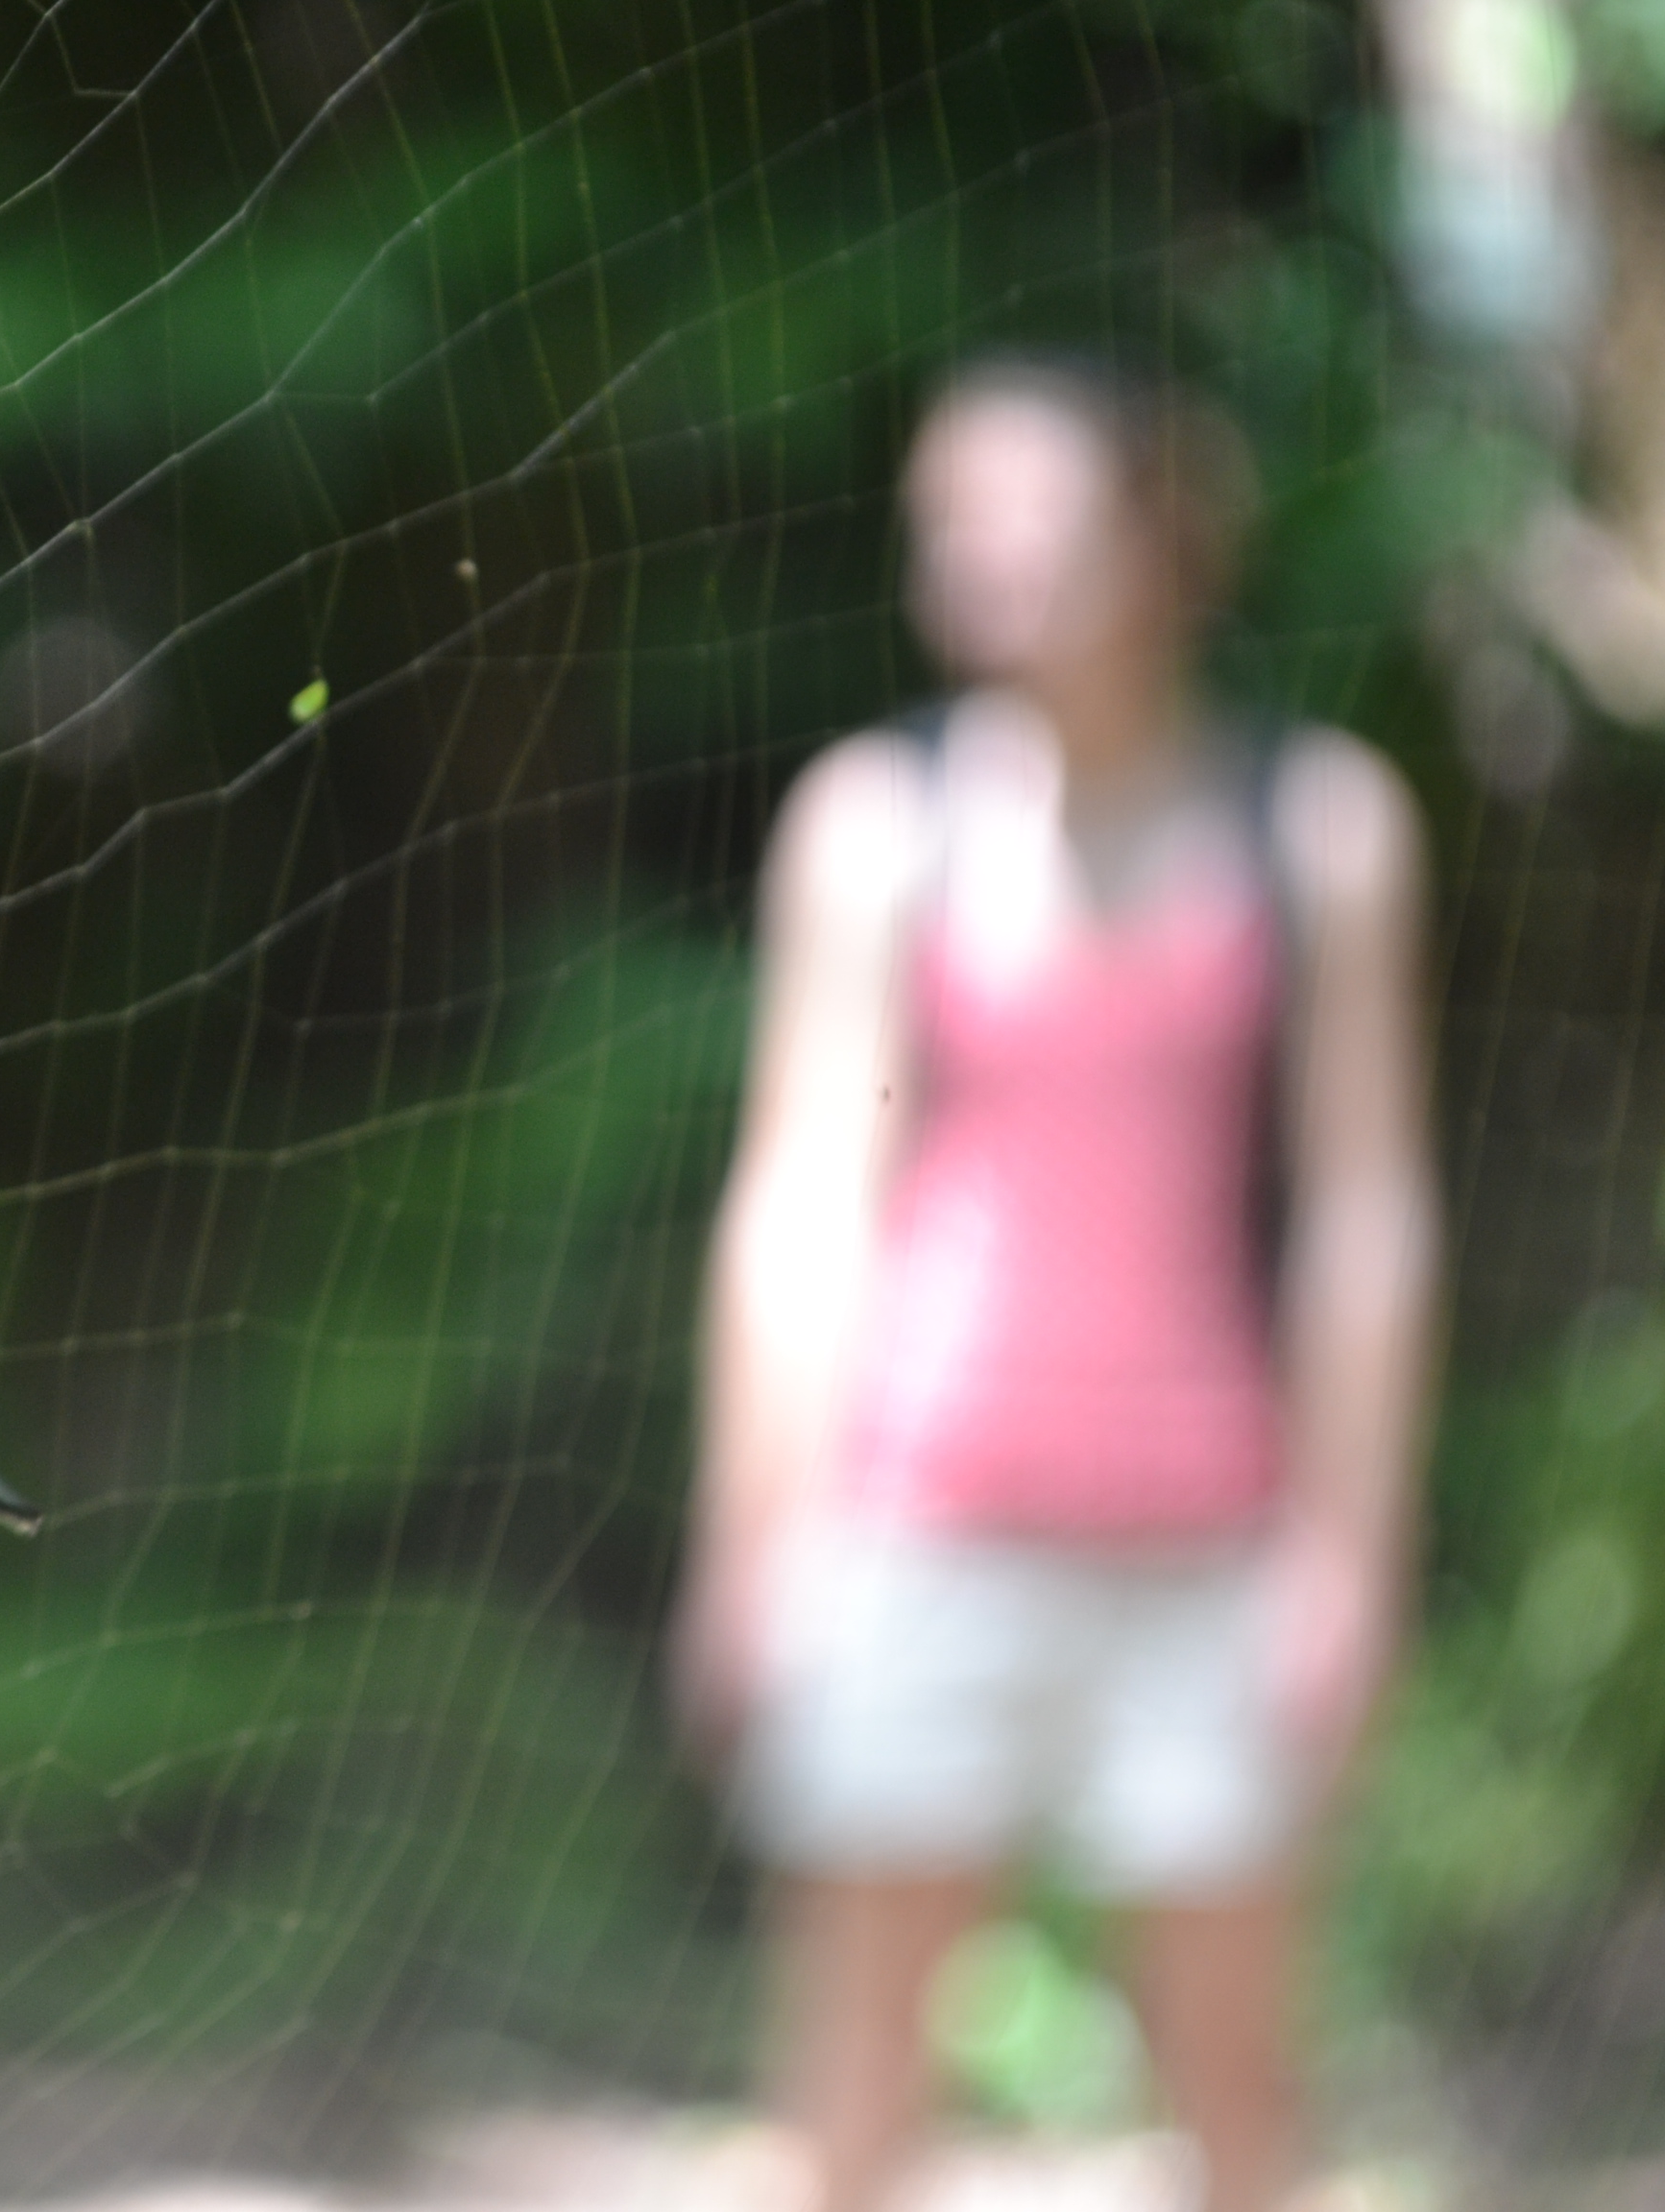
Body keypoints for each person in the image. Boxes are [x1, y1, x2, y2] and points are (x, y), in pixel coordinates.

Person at [674, 360, 1442, 2212]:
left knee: (1242, 2098)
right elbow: (801, 1204)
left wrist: (1350, 1552)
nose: (986, 558)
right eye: (951, 521)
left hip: (1205, 1540)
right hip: (917, 1523)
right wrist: (752, 1540)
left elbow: (1367, 1219)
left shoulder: (1319, 825)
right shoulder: (881, 823)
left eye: (1034, 514)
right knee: (854, 2097)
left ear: (1168, 539)